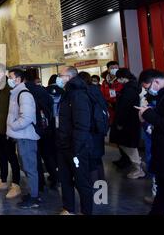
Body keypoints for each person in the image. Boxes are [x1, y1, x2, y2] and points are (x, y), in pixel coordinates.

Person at [137, 69, 164, 215]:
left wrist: (148, 114)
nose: (148, 91)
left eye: (147, 88)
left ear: (156, 81)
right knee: (163, 192)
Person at [56, 66, 93, 215]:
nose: (58, 78)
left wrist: (76, 147)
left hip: (76, 147)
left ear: (69, 76)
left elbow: (82, 124)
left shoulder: (78, 94)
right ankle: (68, 209)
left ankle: (86, 211)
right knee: (65, 180)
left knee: (82, 181)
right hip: (64, 144)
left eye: (61, 75)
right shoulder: (67, 93)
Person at [6, 69, 41, 209]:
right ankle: (33, 193)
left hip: (26, 136)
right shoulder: (16, 93)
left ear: (19, 79)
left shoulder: (23, 94)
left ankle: (34, 198)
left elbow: (26, 118)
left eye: (11, 77)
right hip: (22, 136)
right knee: (26, 167)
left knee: (30, 168)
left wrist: (13, 126)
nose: (9, 80)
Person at [0, 63, 21, 198]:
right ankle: (3, 180)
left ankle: (16, 183)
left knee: (11, 156)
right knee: (0, 155)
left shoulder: (9, 87)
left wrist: (11, 127)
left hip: (7, 128)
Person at [25, 69, 57, 191]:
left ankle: (39, 183)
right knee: (48, 155)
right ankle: (55, 178)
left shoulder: (26, 90)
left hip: (32, 128)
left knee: (35, 156)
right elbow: (50, 105)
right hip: (46, 127)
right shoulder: (42, 90)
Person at [114, 68, 145, 179]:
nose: (118, 80)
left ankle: (138, 168)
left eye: (118, 78)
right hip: (132, 121)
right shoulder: (133, 87)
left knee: (128, 145)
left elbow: (124, 108)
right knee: (129, 145)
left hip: (127, 123)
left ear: (122, 77)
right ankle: (139, 164)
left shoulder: (129, 89)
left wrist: (120, 122)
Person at [78, 71, 106, 183]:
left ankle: (94, 182)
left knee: (91, 158)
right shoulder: (96, 90)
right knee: (97, 157)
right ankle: (101, 181)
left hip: (91, 129)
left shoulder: (84, 92)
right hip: (99, 128)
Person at [101, 61, 128, 168]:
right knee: (116, 137)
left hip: (121, 110)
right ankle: (123, 157)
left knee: (124, 136)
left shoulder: (122, 80)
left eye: (116, 67)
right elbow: (103, 94)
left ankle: (127, 158)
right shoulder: (105, 82)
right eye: (112, 67)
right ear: (108, 69)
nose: (114, 69)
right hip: (111, 112)